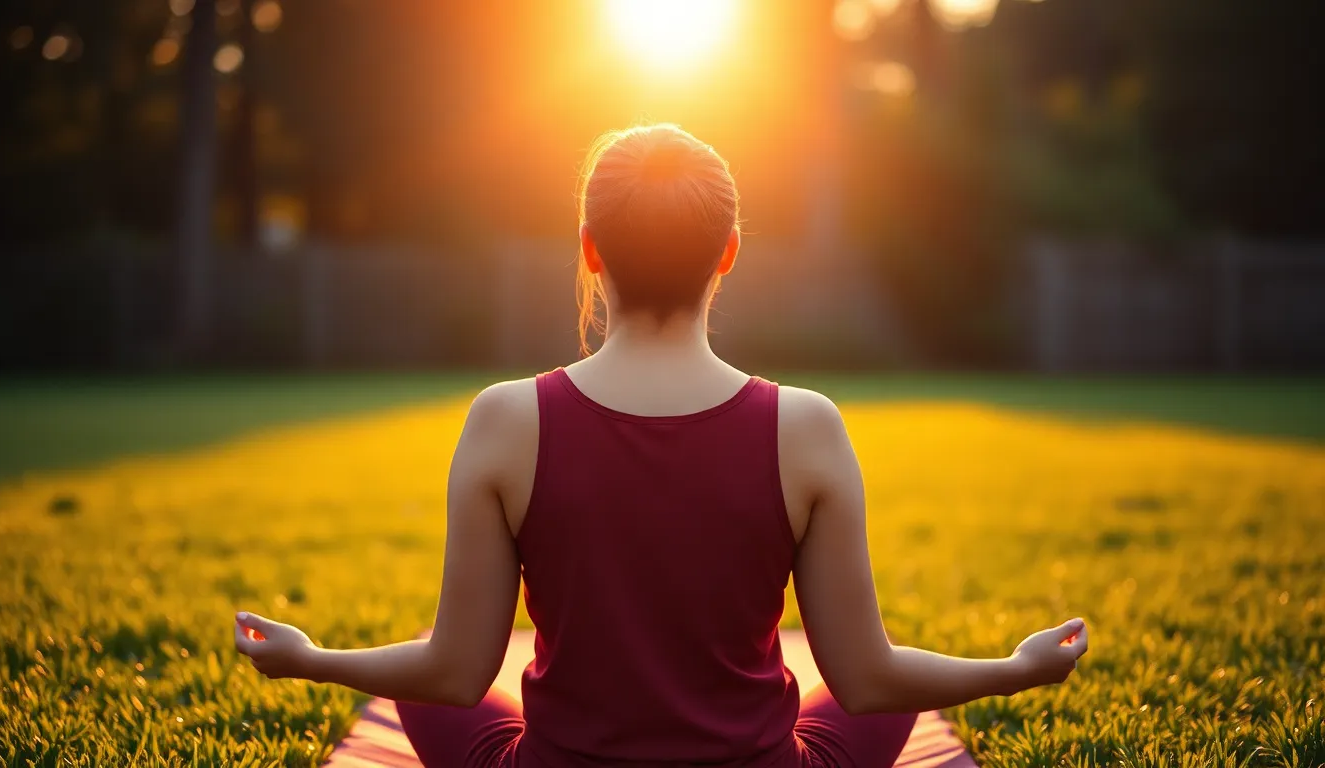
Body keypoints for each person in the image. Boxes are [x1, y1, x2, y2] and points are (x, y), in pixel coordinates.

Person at [234, 124, 1089, 767]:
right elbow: (869, 685)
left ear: (590, 248)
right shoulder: (806, 425)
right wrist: (1014, 669)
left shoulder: (505, 418)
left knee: (421, 672)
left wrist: (313, 660)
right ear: (729, 253)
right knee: (875, 678)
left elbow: (456, 675)